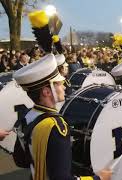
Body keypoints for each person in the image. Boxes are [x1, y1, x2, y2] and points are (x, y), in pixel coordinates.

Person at [12, 10, 112, 180]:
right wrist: (98, 178)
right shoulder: (56, 127)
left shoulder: (25, 117)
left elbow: (21, 160)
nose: (64, 86)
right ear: (46, 91)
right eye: (58, 83)